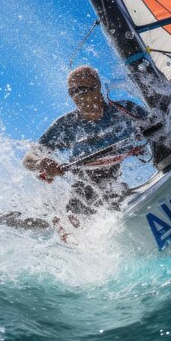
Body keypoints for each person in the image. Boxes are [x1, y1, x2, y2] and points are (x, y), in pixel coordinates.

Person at [23, 66, 148, 224]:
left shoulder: (125, 109)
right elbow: (28, 159)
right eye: (72, 92)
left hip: (118, 177)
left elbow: (159, 127)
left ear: (97, 87)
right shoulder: (66, 126)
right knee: (84, 199)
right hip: (86, 184)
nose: (77, 96)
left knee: (113, 190)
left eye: (82, 89)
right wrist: (41, 162)